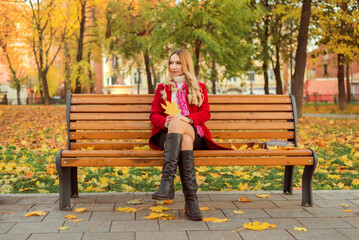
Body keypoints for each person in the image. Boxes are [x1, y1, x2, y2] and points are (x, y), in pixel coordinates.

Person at [149, 49, 230, 221]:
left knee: (182, 126)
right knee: (182, 137)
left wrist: (187, 119)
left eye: (178, 63)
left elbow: (205, 113)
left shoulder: (199, 87)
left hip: (194, 133)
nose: (174, 66)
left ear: (186, 64)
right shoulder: (162, 88)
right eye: (171, 62)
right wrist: (166, 122)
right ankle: (191, 201)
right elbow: (154, 114)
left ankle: (166, 182)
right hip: (168, 134)